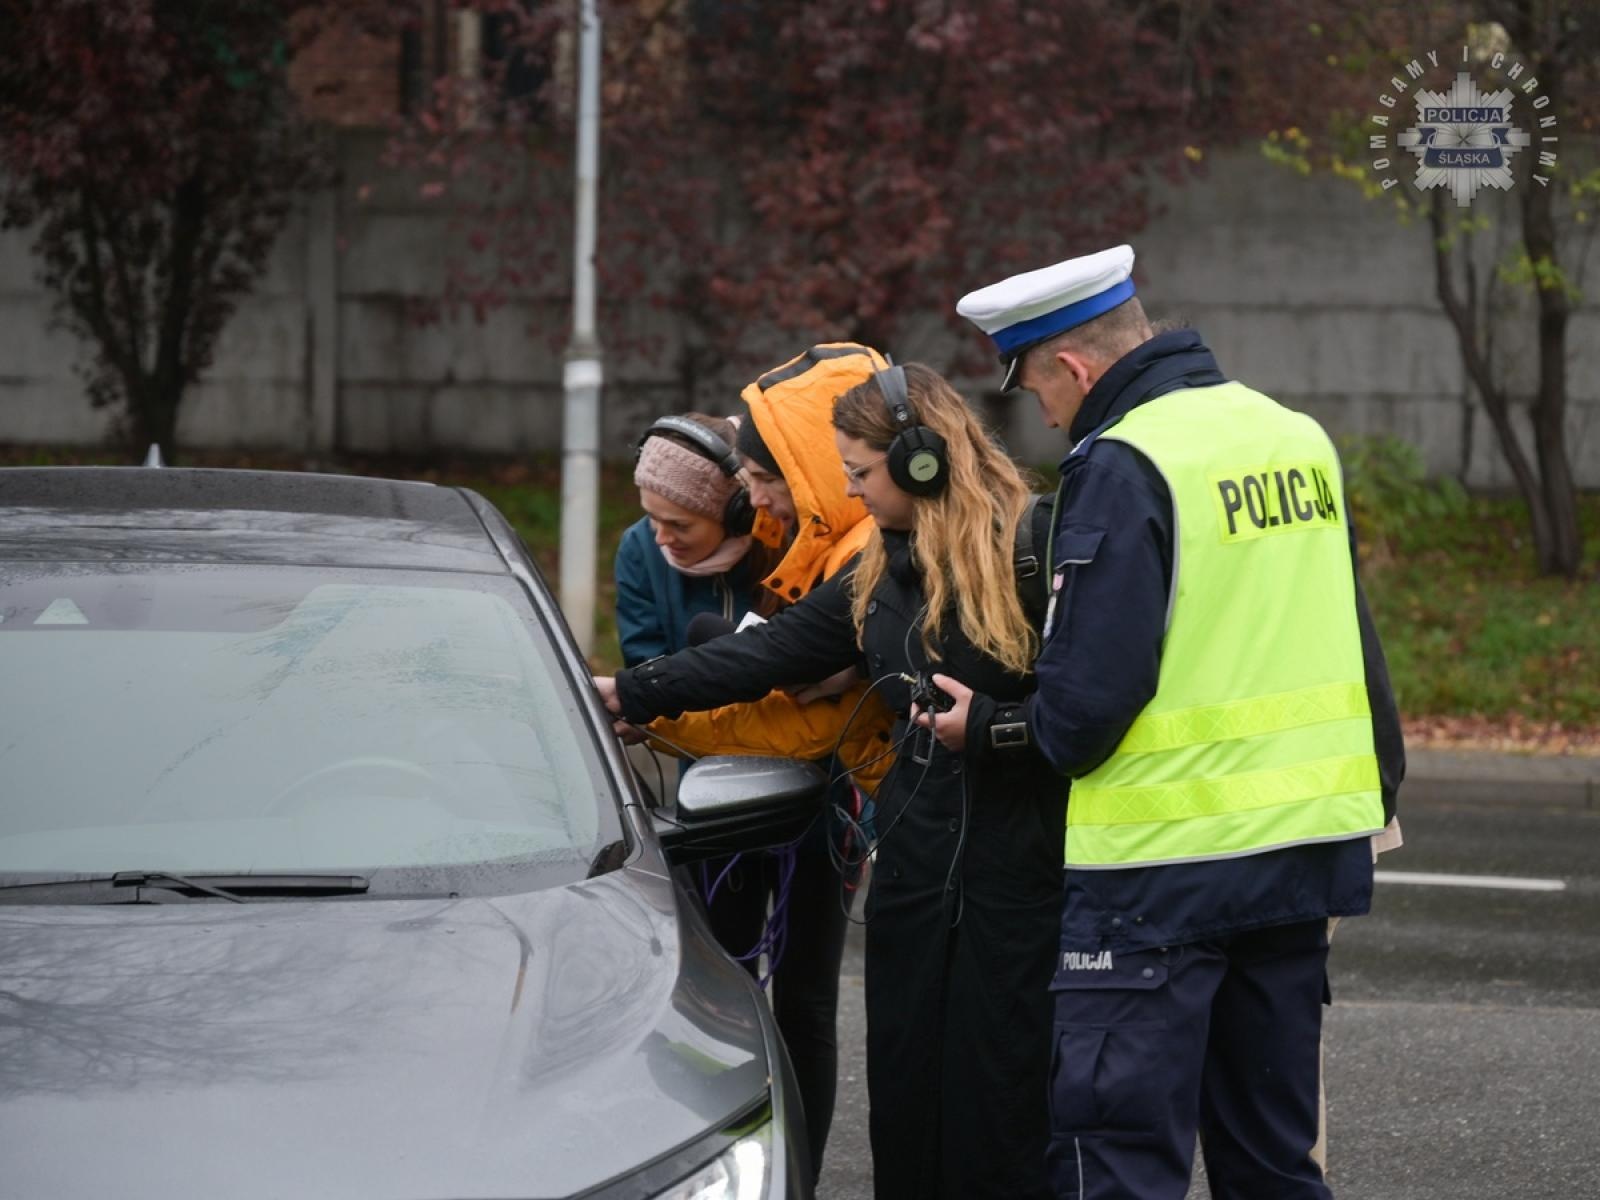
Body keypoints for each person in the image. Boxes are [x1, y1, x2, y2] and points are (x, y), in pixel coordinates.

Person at [937, 244, 1406, 1199]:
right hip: (1302, 855)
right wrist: (1374, 790)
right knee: (1272, 1160)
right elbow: (1354, 641)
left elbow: (1084, 711)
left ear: (1071, 366)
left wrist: (992, 724)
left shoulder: (1123, 461)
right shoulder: (1291, 435)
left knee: (1116, 1161)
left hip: (1158, 877)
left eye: (1035, 387)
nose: (1043, 411)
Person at [596, 363, 1063, 1200]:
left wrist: (992, 727)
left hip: (1013, 878)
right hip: (914, 870)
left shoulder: (1034, 551)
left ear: (923, 461)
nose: (851, 491)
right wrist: (634, 692)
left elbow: (1091, 708)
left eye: (861, 472)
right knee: (907, 1097)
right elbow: (770, 653)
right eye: (841, 472)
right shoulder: (883, 564)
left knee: (998, 1101)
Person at [614, 347, 899, 1184]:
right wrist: (652, 694)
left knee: (808, 997)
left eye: (686, 527)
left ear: (748, 507)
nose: (666, 542)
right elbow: (659, 669)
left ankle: (797, 1177)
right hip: (716, 802)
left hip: (823, 799)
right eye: (654, 525)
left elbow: (803, 666)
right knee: (718, 989)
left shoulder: (810, 544)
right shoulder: (644, 555)